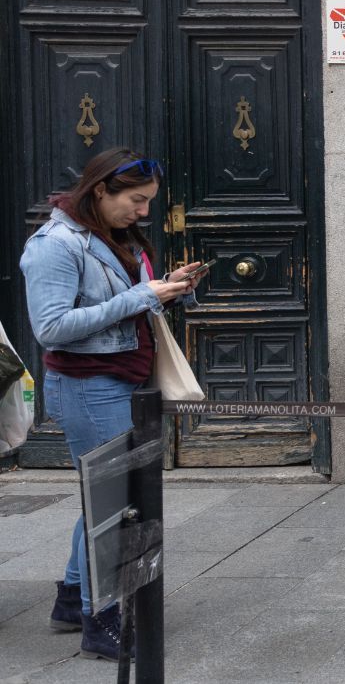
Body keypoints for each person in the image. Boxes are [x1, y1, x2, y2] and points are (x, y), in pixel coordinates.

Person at [20, 149, 208, 660]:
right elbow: (52, 328)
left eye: (148, 202)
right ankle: (98, 619)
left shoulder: (114, 235)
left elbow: (127, 303)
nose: (144, 212)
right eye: (136, 201)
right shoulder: (54, 245)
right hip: (89, 385)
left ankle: (69, 599)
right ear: (100, 190)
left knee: (106, 495)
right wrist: (142, 295)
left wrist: (171, 288)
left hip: (125, 379)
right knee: (110, 502)